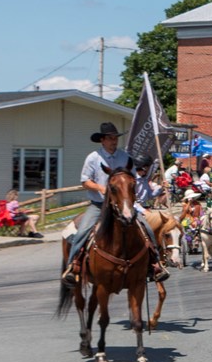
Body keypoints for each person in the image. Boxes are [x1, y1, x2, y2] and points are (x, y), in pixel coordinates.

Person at [62, 122, 167, 285]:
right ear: (102, 140)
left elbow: (132, 179)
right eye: (110, 138)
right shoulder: (93, 158)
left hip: (122, 205)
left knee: (146, 228)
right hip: (99, 205)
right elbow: (85, 181)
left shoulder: (125, 158)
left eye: (115, 138)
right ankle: (72, 265)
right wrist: (99, 187)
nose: (114, 141)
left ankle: (155, 264)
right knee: (82, 231)